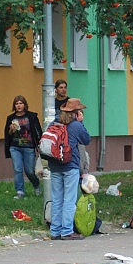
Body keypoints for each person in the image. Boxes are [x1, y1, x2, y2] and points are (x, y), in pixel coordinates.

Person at [49, 98, 91, 240]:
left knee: (57, 199)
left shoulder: (54, 123)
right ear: (76, 112)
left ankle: (54, 231)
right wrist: (81, 122)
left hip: (54, 165)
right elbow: (86, 140)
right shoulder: (75, 126)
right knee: (69, 199)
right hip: (70, 165)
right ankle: (67, 231)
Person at [4, 95, 43, 199]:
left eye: (21, 103)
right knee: (18, 169)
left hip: (28, 147)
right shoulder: (11, 118)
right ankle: (20, 191)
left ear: (24, 104)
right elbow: (8, 135)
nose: (19, 105)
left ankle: (36, 185)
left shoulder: (31, 116)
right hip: (15, 147)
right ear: (14, 106)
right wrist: (11, 129)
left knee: (29, 171)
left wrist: (39, 144)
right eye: (16, 104)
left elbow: (38, 131)